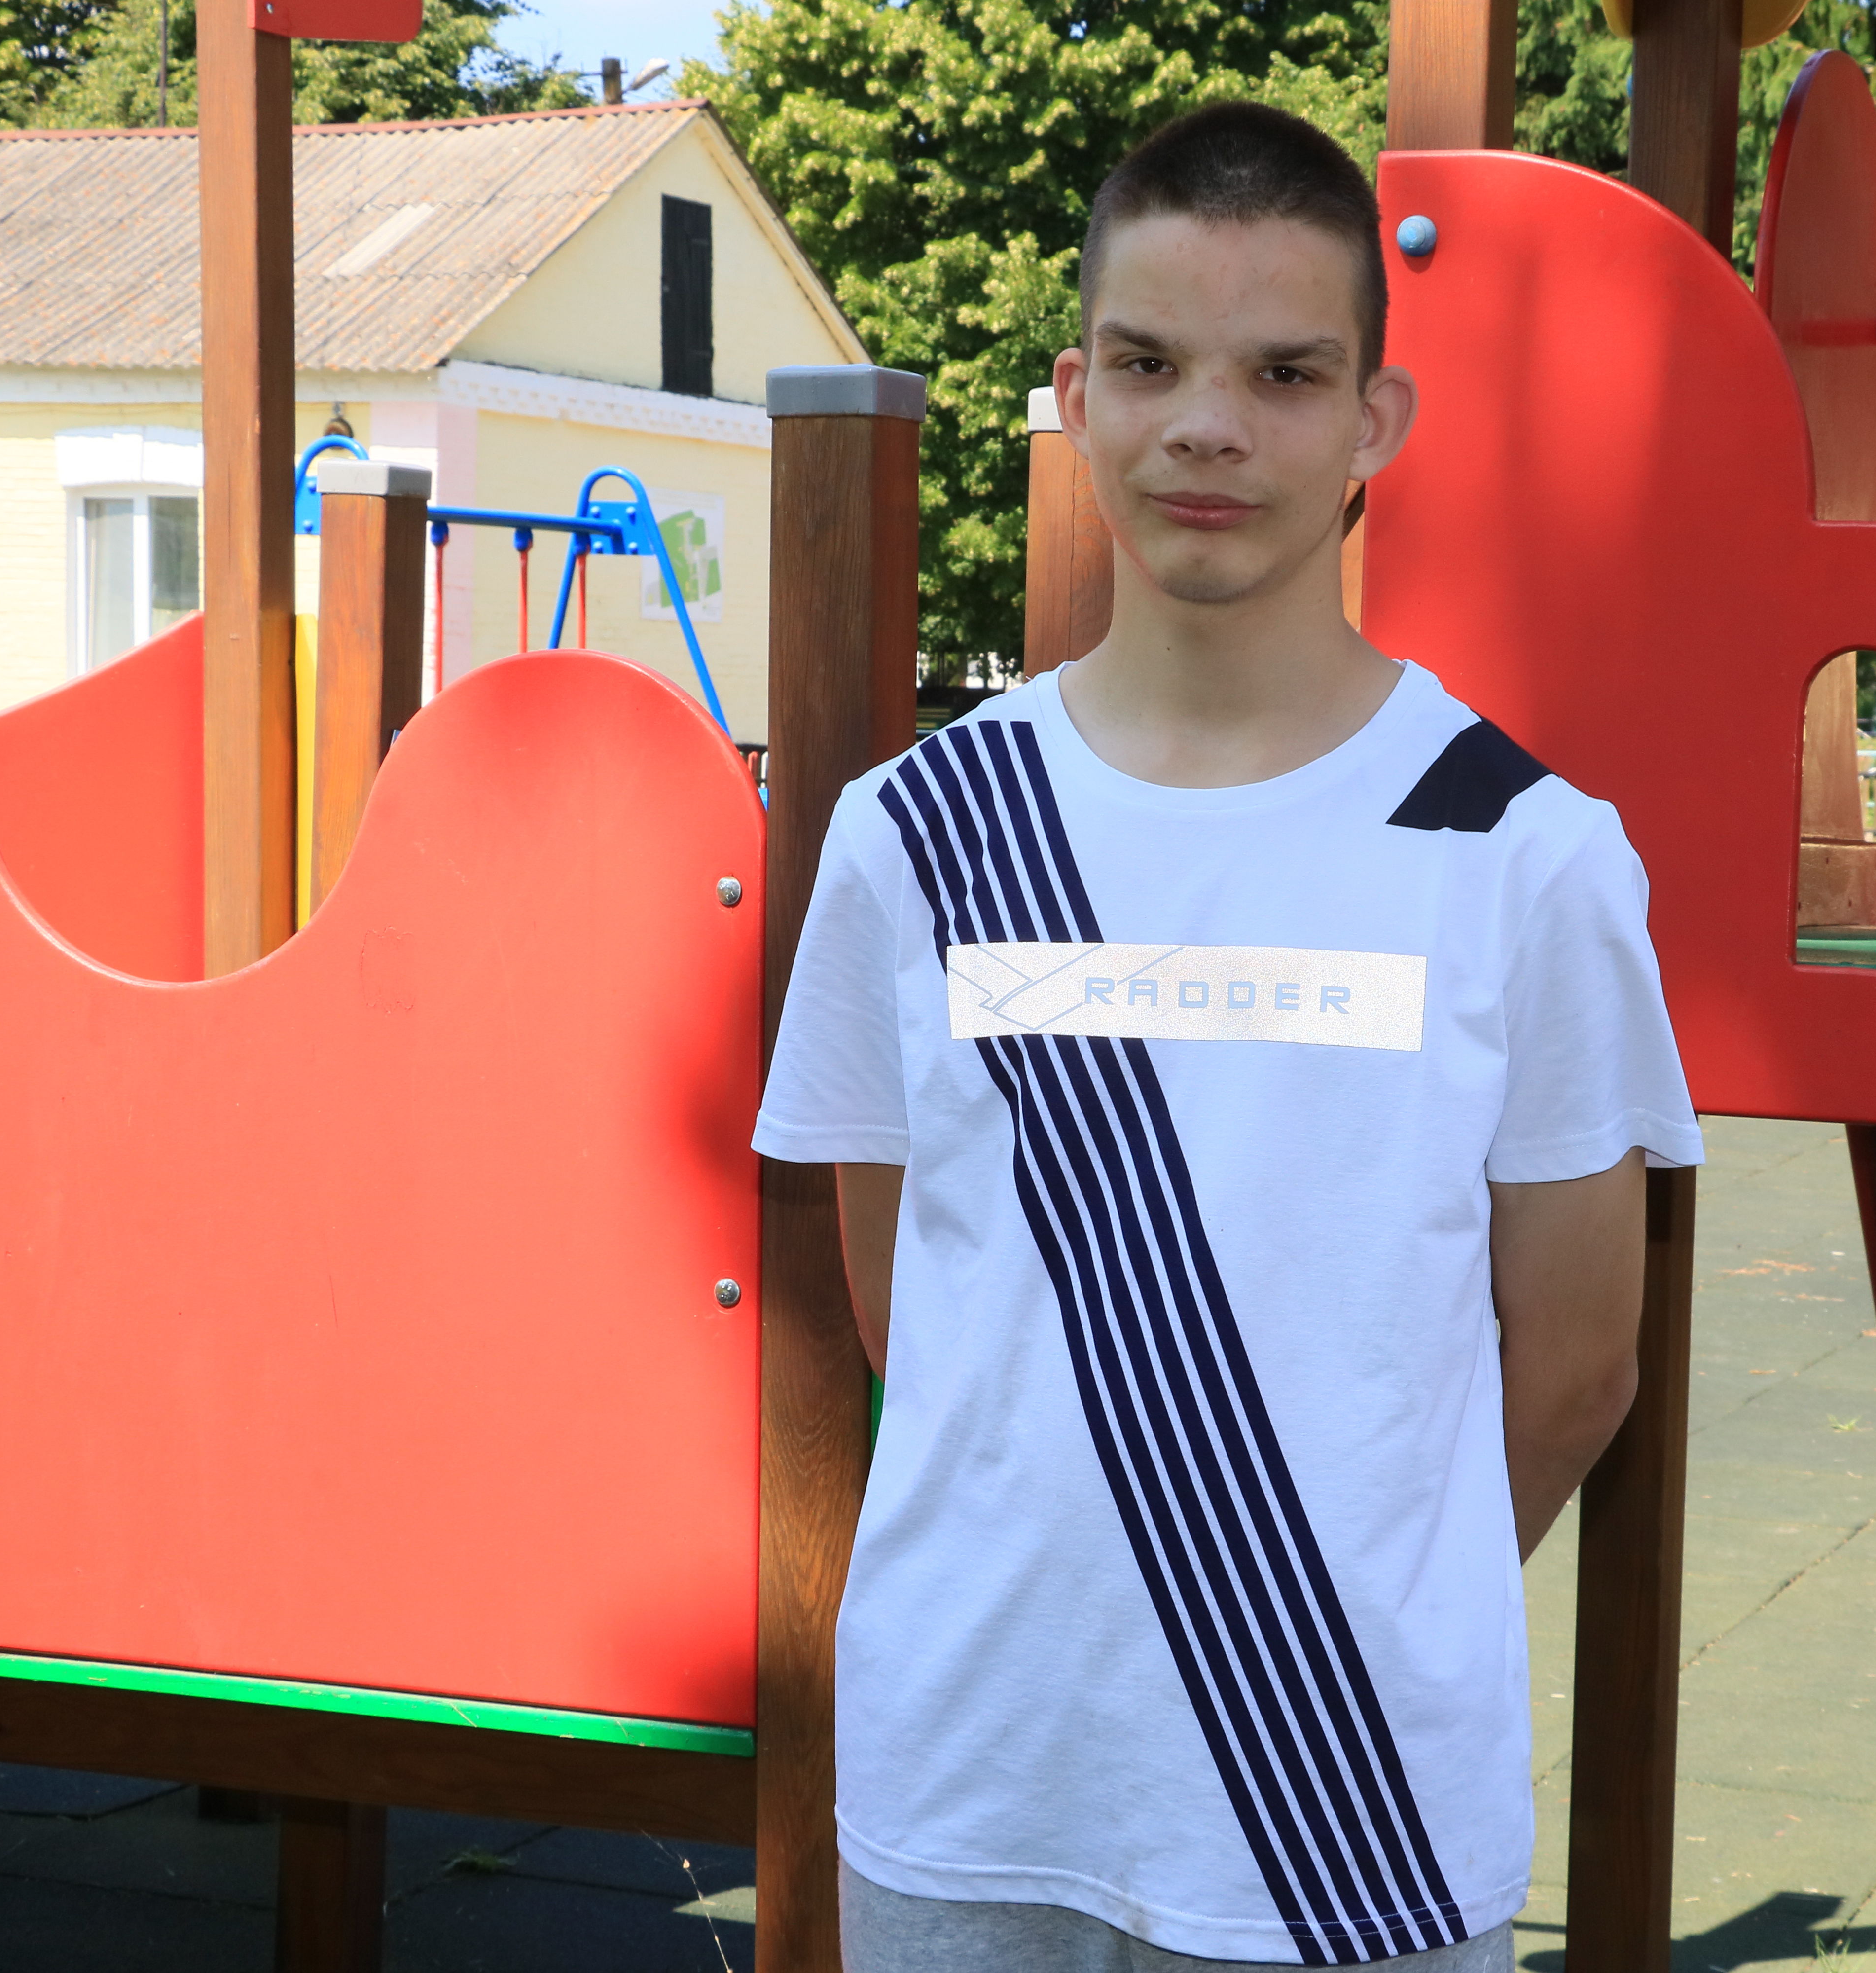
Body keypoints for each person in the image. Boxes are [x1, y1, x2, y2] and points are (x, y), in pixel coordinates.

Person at [753, 99, 1701, 1973]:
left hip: (1351, 1806)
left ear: (1374, 423)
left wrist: (1331, 1606)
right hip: (973, 1791)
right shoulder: (916, 833)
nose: (1208, 425)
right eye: (1149, 363)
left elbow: (1579, 1368)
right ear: (1076, 395)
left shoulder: (1523, 852)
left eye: (1283, 373)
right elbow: (901, 1303)